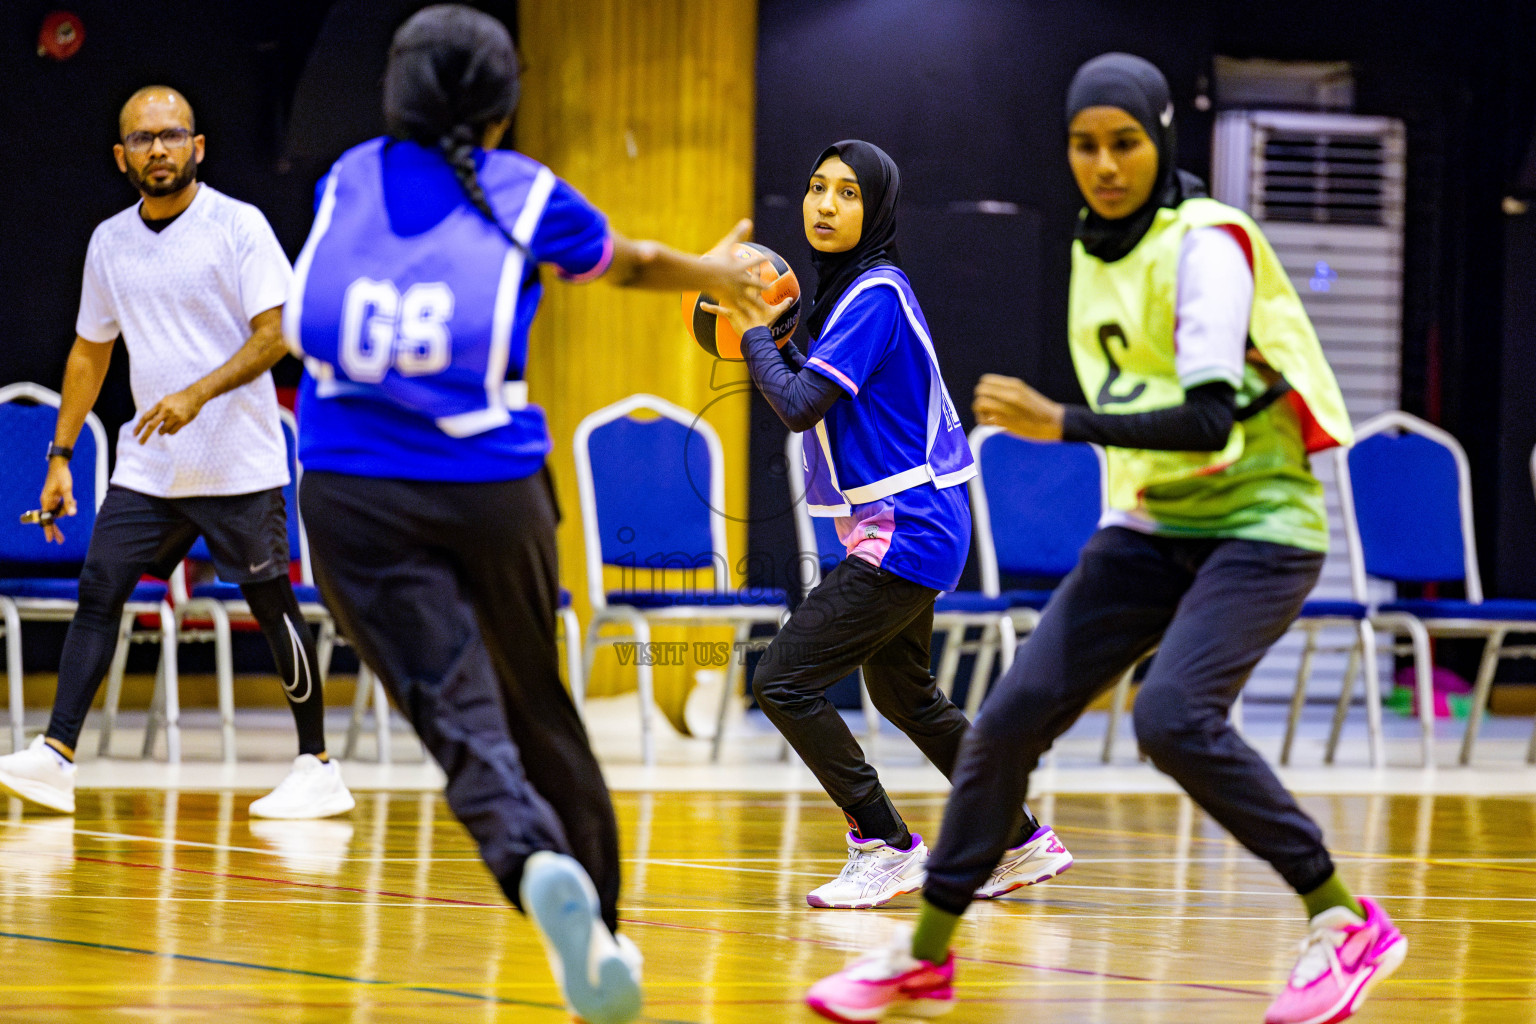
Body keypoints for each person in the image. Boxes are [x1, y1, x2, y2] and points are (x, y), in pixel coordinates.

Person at [806, 54, 1407, 1024]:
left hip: (1259, 525)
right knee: (1004, 722)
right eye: (1084, 145)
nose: (1104, 164)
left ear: (1161, 138)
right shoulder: (1096, 248)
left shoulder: (1207, 241)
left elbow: (1210, 418)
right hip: (1154, 524)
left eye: (1123, 143)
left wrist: (1062, 423)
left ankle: (1343, 920)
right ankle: (923, 955)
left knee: (1170, 715)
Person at [283, 8, 765, 1024]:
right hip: (493, 487)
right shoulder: (525, 191)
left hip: (350, 491)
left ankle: (535, 859)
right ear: (506, 103)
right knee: (537, 703)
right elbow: (627, 262)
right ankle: (603, 924)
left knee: (458, 713)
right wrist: (715, 271)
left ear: (396, 93)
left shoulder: (349, 178)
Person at [703, 140, 1071, 911]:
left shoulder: (874, 294)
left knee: (781, 680)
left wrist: (750, 337)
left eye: (846, 192)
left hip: (907, 529)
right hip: (914, 524)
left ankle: (885, 843)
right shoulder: (853, 297)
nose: (825, 203)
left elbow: (801, 403)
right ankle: (1019, 838)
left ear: (876, 209)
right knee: (907, 696)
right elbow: (807, 380)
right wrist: (773, 337)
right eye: (815, 188)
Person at [0, 85, 353, 821]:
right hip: (151, 464)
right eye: (141, 138)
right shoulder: (109, 241)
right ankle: (57, 756)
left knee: (270, 602)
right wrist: (61, 456)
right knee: (100, 585)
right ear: (121, 155)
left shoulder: (239, 227)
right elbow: (90, 354)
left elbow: (275, 332)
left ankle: (317, 766)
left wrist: (197, 393)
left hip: (237, 460)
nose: (156, 149)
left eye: (170, 135)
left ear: (197, 147)